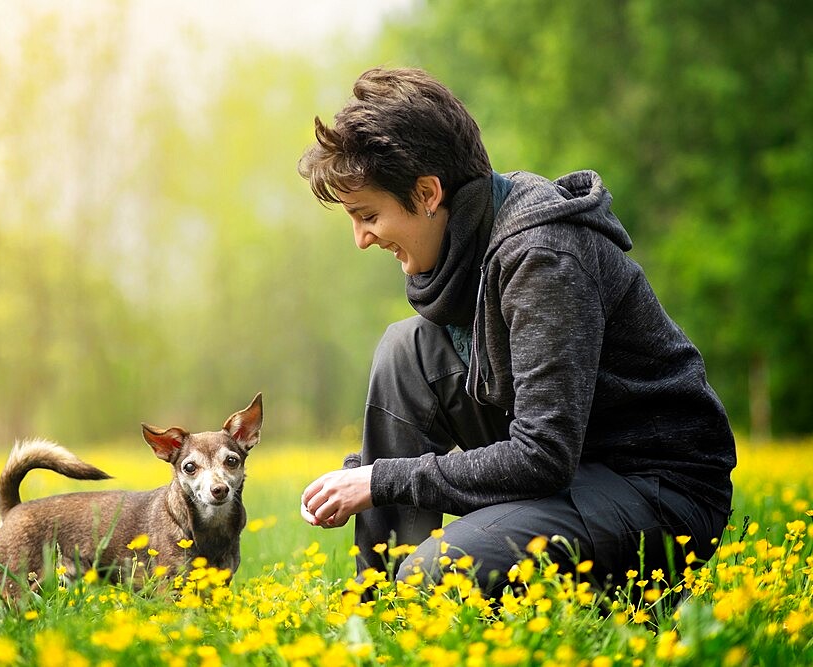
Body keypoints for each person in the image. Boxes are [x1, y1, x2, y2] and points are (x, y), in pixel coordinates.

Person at [297, 66, 736, 593]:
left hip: (653, 489)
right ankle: (380, 607)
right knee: (406, 348)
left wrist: (378, 480)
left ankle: (417, 596)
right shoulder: (474, 245)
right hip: (576, 467)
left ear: (429, 192)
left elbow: (542, 455)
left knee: (436, 575)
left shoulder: (542, 255)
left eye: (367, 214)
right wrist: (365, 472)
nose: (361, 238)